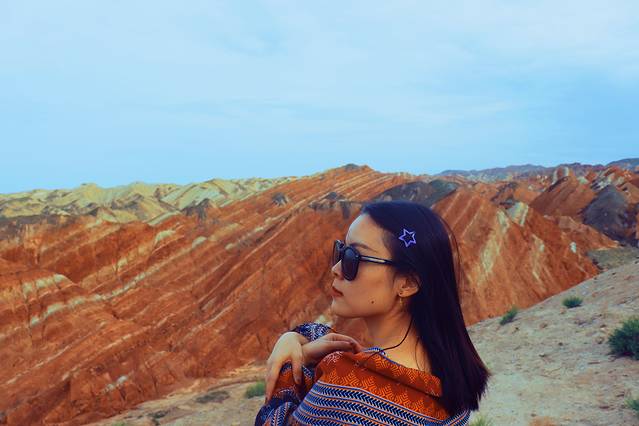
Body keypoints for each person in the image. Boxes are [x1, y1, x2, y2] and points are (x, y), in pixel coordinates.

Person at [255, 200, 490, 425]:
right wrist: (296, 337)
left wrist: (290, 367)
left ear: (407, 283)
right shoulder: (449, 378)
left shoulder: (349, 390)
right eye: (341, 251)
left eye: (352, 258)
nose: (336, 269)